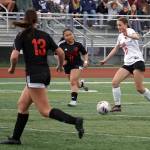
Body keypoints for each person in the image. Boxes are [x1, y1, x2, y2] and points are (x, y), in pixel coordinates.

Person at [0, 9, 84, 145]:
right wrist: (60, 66)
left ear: (25, 19)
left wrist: (12, 68)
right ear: (36, 20)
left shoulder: (22, 35)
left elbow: (14, 56)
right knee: (22, 105)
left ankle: (75, 121)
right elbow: (61, 53)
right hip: (44, 74)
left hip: (34, 76)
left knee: (45, 111)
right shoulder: (44, 35)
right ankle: (16, 138)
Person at [100, 17, 150, 112]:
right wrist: (105, 60)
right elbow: (115, 49)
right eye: (117, 25)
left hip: (137, 61)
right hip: (127, 63)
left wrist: (129, 35)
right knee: (115, 82)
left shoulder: (130, 30)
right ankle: (117, 106)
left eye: (120, 25)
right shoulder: (120, 36)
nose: (118, 27)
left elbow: (138, 37)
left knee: (139, 88)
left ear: (125, 24)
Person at [57, 29, 88, 107]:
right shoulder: (61, 45)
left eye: (70, 34)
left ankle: (73, 101)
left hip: (77, 64)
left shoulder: (78, 44)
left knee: (72, 81)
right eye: (66, 35)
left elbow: (85, 53)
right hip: (67, 66)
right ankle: (81, 84)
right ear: (64, 37)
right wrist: (61, 62)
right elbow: (56, 54)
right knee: (75, 83)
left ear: (73, 35)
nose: (69, 36)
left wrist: (86, 61)